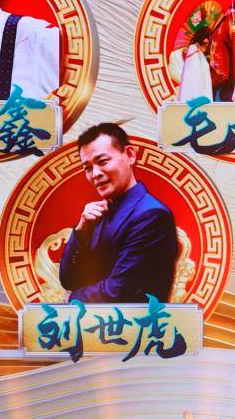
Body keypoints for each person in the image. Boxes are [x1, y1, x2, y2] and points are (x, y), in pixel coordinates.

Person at [58, 122, 179, 303]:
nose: (95, 174)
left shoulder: (152, 215)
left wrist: (72, 298)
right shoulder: (97, 216)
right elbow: (69, 279)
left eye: (103, 162)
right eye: (87, 168)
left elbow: (118, 292)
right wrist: (81, 232)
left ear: (130, 155)